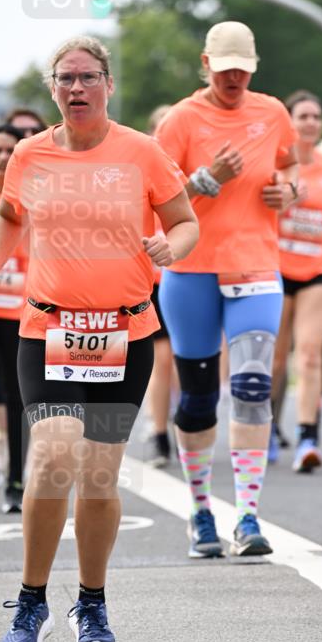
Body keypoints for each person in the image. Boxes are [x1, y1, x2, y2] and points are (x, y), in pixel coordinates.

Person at [0, 36, 197, 642]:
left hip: (125, 333)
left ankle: (93, 602)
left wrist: (174, 247)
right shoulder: (29, 156)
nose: (76, 88)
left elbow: (185, 221)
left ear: (109, 84)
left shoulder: (143, 152)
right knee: (52, 460)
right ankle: (31, 602)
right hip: (48, 330)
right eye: (64, 79)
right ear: (53, 89)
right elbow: (8, 219)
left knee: (101, 478)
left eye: (87, 77)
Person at [155, 21, 298, 556]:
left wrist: (290, 190)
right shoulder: (181, 120)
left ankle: (249, 517)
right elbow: (154, 195)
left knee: (253, 387)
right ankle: (199, 512)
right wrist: (205, 179)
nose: (235, 77)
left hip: (256, 267)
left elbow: (291, 165)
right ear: (205, 63)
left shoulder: (272, 111)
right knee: (197, 399)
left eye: (244, 68)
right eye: (225, 68)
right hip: (191, 271)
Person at [273, 91, 322, 472]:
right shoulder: (276, 164)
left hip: (320, 268)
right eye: (303, 116)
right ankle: (266, 426)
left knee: (311, 353)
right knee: (276, 357)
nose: (311, 123)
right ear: (288, 121)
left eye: (316, 116)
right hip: (278, 269)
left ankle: (307, 437)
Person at [0, 123, 27, 512]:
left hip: (17, 310)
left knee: (17, 397)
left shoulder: (28, 197)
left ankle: (16, 480)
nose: (2, 157)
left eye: (10, 151)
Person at [144, 103, 177, 468]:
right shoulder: (138, 168)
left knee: (182, 362)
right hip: (150, 282)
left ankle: (179, 418)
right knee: (162, 359)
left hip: (187, 277)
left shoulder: (186, 171)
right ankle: (158, 434)